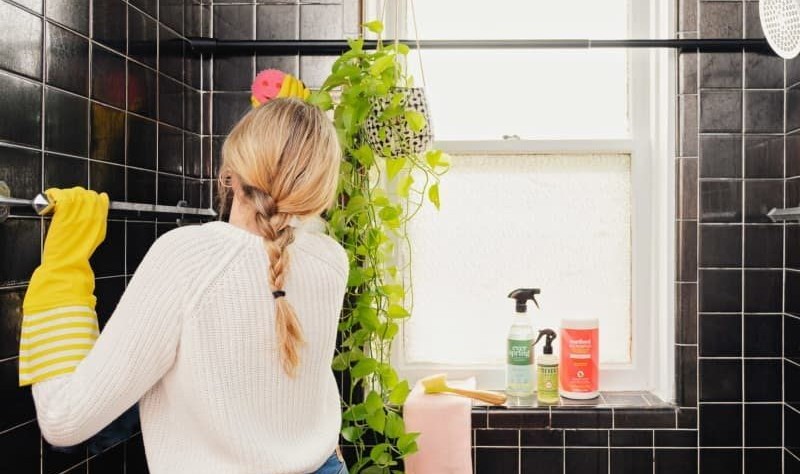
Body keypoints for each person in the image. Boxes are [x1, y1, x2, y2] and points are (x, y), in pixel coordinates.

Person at [18, 98, 350, 474]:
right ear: (319, 191)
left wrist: (63, 268)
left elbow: (64, 421)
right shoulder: (332, 260)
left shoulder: (188, 258)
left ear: (231, 172)